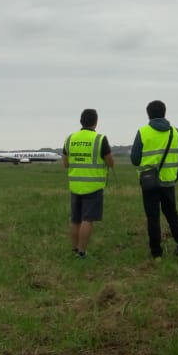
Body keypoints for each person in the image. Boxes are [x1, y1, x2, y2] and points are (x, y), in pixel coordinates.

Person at [130, 100, 178, 258]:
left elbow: (135, 159)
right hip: (168, 182)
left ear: (148, 114)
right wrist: (174, 176)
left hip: (149, 182)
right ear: (164, 112)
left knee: (153, 217)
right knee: (172, 214)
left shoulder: (143, 132)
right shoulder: (175, 132)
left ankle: (156, 252)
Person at [64, 109, 113, 259]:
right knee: (87, 220)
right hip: (93, 186)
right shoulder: (100, 139)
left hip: (75, 185)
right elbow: (110, 162)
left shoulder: (70, 138)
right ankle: (82, 252)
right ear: (95, 122)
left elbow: (65, 163)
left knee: (75, 220)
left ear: (81, 121)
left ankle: (74, 250)